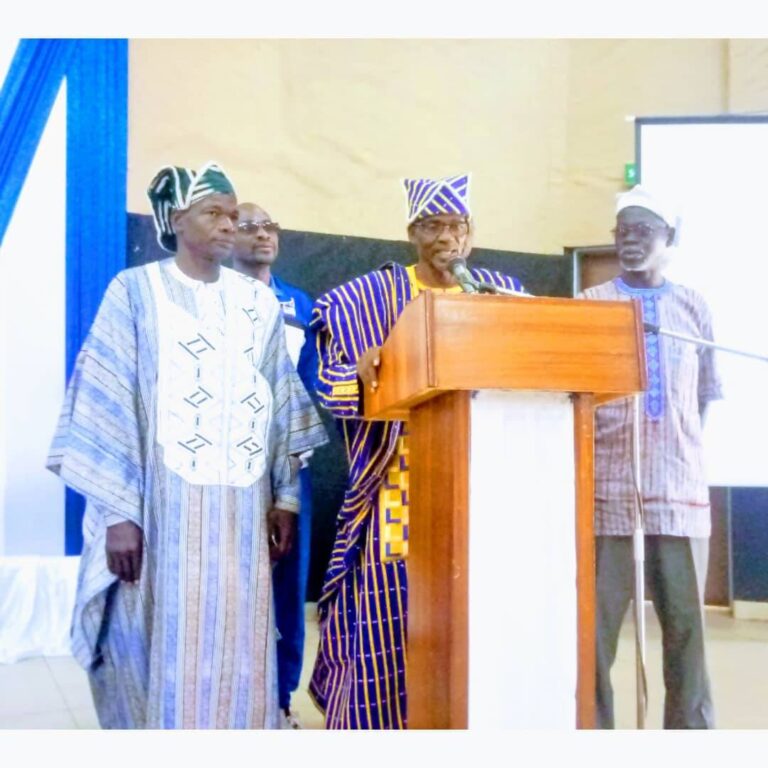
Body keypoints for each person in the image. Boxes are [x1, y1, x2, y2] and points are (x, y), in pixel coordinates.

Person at [46, 162, 326, 729]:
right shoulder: (135, 293)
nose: (229, 225)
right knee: (155, 637)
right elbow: (106, 403)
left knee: (239, 638)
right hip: (158, 516)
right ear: (175, 220)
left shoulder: (258, 305)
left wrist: (286, 499)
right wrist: (120, 515)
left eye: (232, 214)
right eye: (214, 214)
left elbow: (278, 403)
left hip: (241, 519)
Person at [307, 174, 525, 729]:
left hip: (486, 486)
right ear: (411, 232)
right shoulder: (368, 298)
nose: (446, 237)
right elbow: (333, 384)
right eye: (433, 225)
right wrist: (363, 370)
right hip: (400, 484)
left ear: (472, 235)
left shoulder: (500, 294)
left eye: (457, 225)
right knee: (388, 619)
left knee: (474, 624)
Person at [580, 185, 723, 729]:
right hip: (607, 493)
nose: (630, 240)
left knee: (688, 630)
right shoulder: (590, 307)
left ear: (672, 238)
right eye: (623, 231)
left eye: (644, 230)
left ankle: (688, 741)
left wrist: (674, 449)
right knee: (593, 634)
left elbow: (704, 395)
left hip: (681, 495)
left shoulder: (694, 306)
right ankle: (591, 734)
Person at [231, 202, 319, 729]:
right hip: (227, 469)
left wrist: (291, 457)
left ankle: (281, 698)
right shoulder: (212, 297)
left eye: (270, 226)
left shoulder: (299, 304)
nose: (263, 235)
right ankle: (232, 693)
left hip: (289, 467)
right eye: (249, 227)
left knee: (288, 583)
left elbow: (308, 388)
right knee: (232, 580)